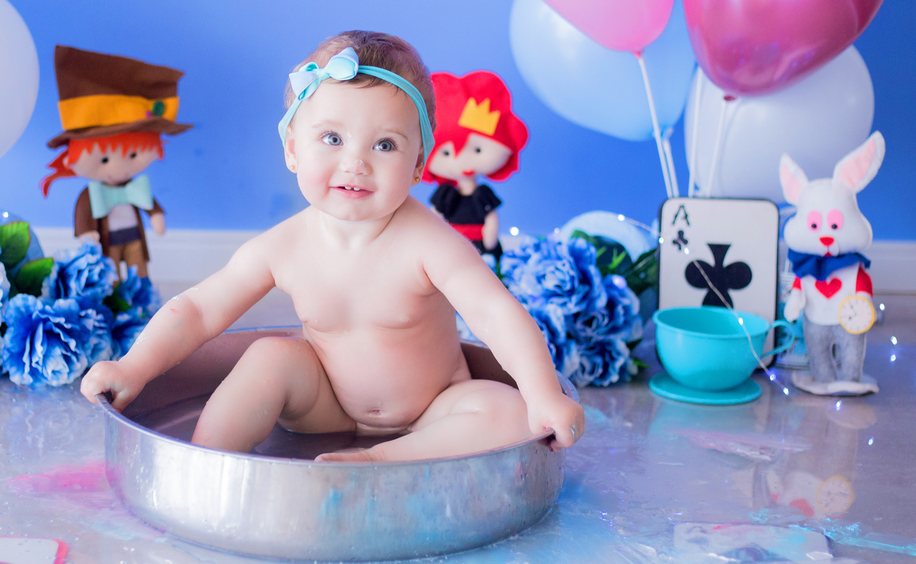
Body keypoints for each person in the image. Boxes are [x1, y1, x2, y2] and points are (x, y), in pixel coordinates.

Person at [81, 31, 584, 461]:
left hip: (436, 409)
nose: (356, 163)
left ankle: (382, 461)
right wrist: (133, 368)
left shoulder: (431, 243)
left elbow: (496, 314)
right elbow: (197, 311)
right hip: (323, 405)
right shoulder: (285, 246)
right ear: (293, 149)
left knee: (508, 410)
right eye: (332, 139)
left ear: (417, 164)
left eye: (384, 144)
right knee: (268, 358)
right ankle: (207, 458)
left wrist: (542, 394)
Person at [41, 45, 193, 280]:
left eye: (133, 155)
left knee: (138, 270)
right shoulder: (90, 195)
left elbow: (149, 202)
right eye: (103, 159)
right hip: (108, 241)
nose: (117, 168)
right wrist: (86, 231)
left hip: (134, 237)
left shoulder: (136, 189)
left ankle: (141, 297)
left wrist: (156, 214)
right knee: (111, 275)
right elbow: (83, 213)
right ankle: (115, 301)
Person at [424, 71, 528, 259]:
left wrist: (490, 239)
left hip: (481, 247)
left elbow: (491, 219)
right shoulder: (446, 195)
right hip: (452, 247)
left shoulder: (483, 195)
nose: (463, 162)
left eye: (477, 150)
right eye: (447, 153)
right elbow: (436, 218)